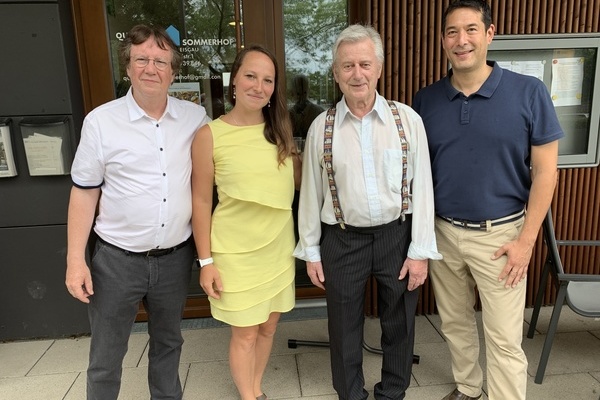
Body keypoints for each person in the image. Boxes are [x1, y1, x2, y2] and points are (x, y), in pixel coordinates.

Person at [412, 1, 564, 399]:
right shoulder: (426, 101)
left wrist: (526, 243)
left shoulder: (528, 92)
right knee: (455, 325)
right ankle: (468, 387)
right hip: (443, 234)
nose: (461, 41)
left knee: (503, 339)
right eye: (451, 32)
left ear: (490, 34)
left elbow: (546, 172)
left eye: (471, 30)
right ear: (443, 40)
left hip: (502, 237)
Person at [294, 24, 441, 400]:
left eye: (364, 64)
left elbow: (422, 187)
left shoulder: (407, 120)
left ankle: (393, 391)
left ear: (378, 68)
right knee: (343, 326)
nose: (357, 73)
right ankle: (351, 394)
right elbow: (310, 193)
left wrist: (420, 249)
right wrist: (310, 249)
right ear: (336, 73)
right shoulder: (320, 128)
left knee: (400, 323)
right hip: (341, 240)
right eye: (347, 66)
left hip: (398, 235)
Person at [65, 24, 210, 400]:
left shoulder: (195, 120)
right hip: (116, 260)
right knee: (107, 354)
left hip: (175, 259)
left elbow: (209, 185)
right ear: (126, 67)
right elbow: (84, 193)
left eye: (160, 61)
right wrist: (75, 260)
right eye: (141, 59)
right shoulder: (101, 122)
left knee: (169, 344)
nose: (151, 68)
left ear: (173, 71)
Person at [191, 45, 300, 400]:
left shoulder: (281, 130)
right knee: (246, 333)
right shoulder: (210, 135)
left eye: (268, 80)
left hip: (278, 247)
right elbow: (202, 201)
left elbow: (298, 185)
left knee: (269, 327)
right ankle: (249, 396)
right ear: (234, 79)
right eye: (251, 76)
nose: (259, 86)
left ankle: (254, 389)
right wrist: (206, 262)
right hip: (235, 251)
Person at [289, 74, 324, 139]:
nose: (300, 96)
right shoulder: (288, 115)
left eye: (303, 92)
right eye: (298, 92)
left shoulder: (319, 113)